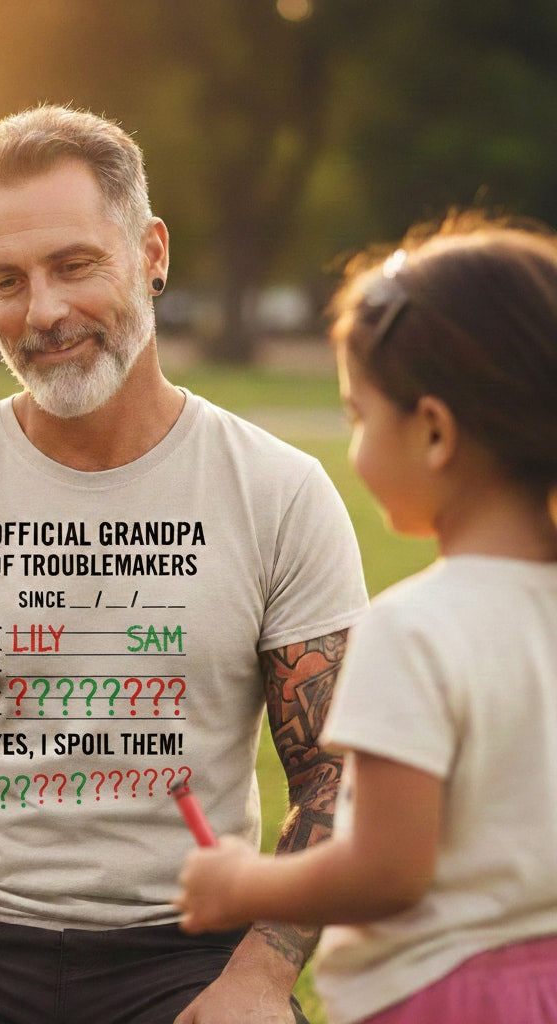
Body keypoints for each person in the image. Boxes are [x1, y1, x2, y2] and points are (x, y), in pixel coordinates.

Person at [0, 104, 368, 1024]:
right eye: (7, 280)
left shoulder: (279, 492)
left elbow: (337, 772)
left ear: (152, 252)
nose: (44, 311)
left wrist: (259, 978)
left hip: (190, 948)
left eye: (74, 265)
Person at [176, 214, 557, 1024]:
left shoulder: (415, 630)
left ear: (432, 431)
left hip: (445, 998)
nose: (352, 444)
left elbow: (387, 870)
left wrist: (249, 883)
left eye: (357, 415)